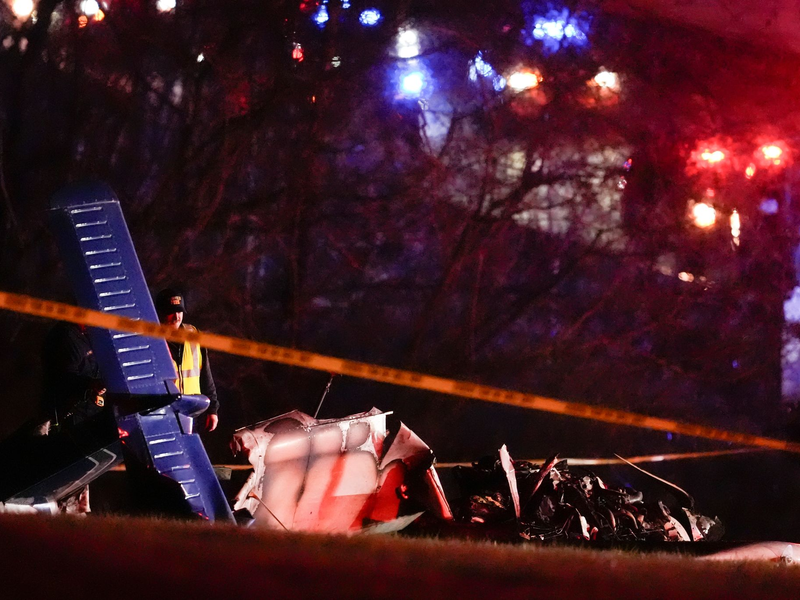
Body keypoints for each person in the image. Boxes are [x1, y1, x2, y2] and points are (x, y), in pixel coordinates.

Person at [155, 288, 219, 432]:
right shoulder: (151, 340)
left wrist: (213, 410)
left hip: (192, 413)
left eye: (180, 311)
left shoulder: (194, 336)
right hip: (161, 414)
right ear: (160, 313)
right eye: (171, 312)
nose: (177, 317)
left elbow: (206, 376)